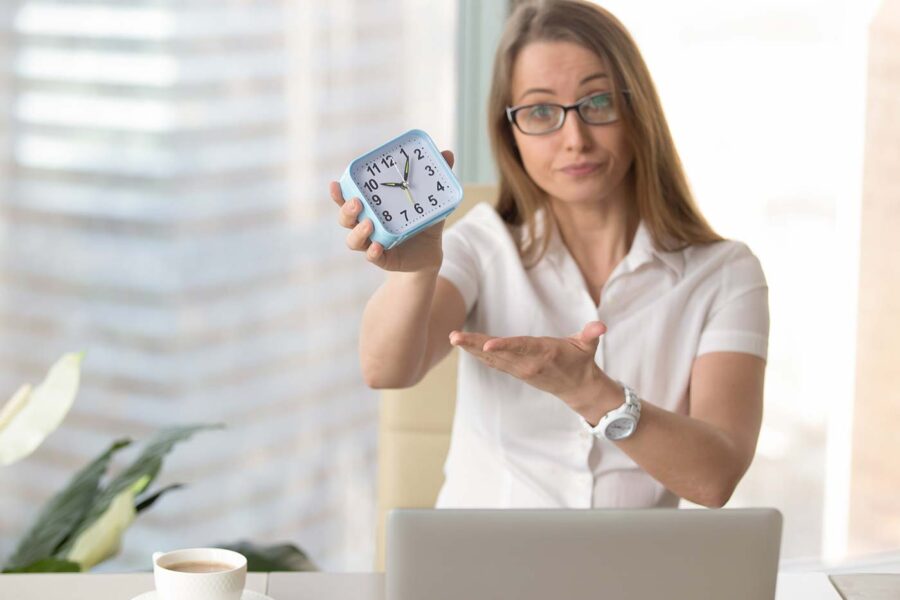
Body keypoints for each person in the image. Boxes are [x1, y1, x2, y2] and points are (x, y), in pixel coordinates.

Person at [329, 0, 768, 510]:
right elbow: (385, 369)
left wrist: (590, 391)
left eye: (598, 102)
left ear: (637, 110)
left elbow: (714, 478)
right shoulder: (483, 243)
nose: (575, 139)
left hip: (628, 581)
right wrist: (417, 272)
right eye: (540, 112)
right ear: (510, 132)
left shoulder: (726, 274)